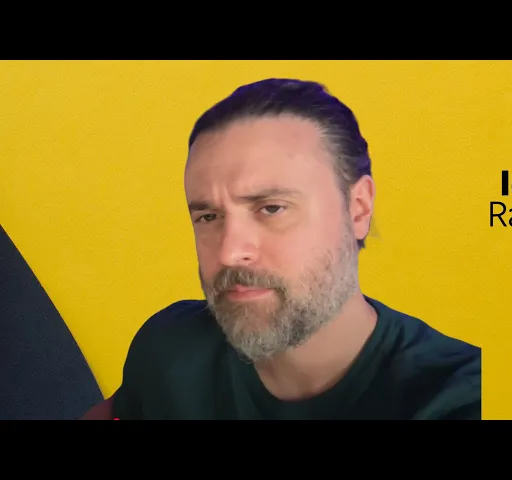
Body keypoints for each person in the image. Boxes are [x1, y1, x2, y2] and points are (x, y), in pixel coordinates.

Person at [80, 78, 481, 420]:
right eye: (208, 216)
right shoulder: (170, 347)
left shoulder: (457, 397)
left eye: (271, 208)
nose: (229, 253)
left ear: (358, 208)